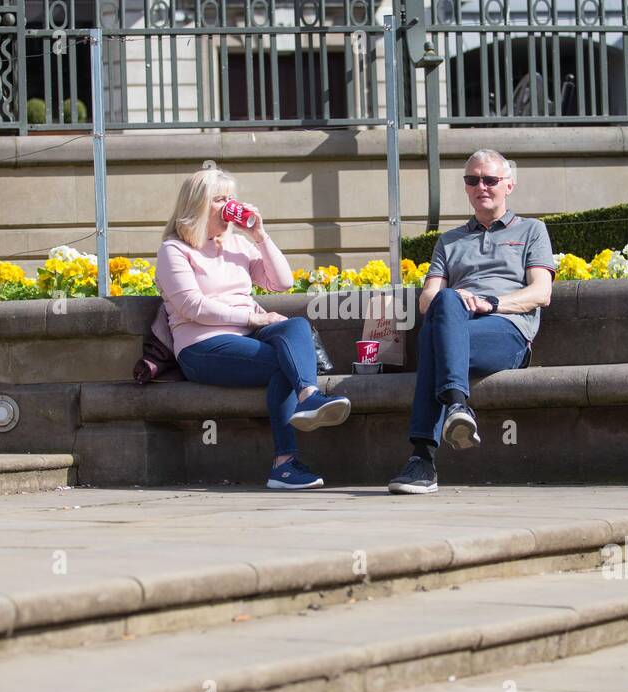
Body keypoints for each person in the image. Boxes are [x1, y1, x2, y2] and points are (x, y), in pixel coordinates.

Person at [155, 166, 351, 490]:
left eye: (232, 198)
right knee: (282, 366)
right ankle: (284, 464)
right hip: (202, 345)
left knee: (296, 325)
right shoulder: (174, 250)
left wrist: (260, 236)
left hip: (248, 334)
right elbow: (192, 306)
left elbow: (282, 282)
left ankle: (308, 398)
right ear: (198, 205)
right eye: (221, 199)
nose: (231, 205)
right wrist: (252, 318)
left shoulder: (238, 245)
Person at [388, 150, 555, 495]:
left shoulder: (532, 230)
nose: (482, 186)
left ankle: (422, 457)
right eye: (473, 180)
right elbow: (426, 301)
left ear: (509, 185)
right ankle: (458, 407)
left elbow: (541, 293)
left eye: (490, 180)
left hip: (506, 331)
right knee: (445, 302)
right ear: (466, 187)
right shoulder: (449, 241)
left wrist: (491, 303)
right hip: (457, 323)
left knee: (435, 340)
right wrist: (459, 298)